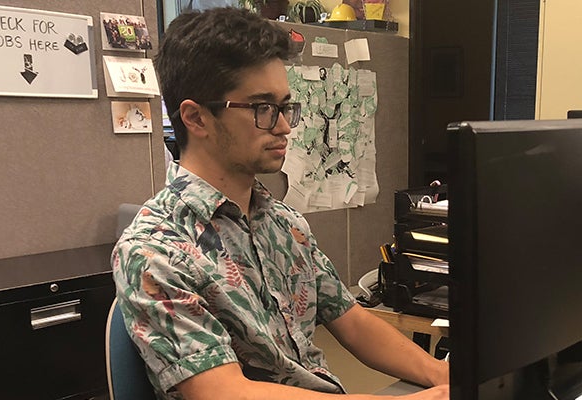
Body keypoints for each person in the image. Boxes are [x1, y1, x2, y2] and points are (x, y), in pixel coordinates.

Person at [112, 7, 449, 400]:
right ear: (196, 118)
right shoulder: (154, 251)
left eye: (285, 106)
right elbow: (222, 392)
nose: (285, 126)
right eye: (263, 108)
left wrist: (444, 376)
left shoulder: (285, 223)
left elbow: (352, 321)